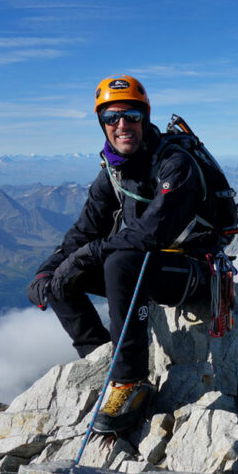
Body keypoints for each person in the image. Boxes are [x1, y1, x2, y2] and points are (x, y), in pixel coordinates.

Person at [26, 75, 208, 433]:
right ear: (102, 124)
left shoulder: (175, 164)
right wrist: (47, 271)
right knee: (63, 281)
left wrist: (87, 255)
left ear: (145, 118)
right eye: (112, 118)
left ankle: (131, 383)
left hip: (191, 272)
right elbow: (84, 231)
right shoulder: (114, 171)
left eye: (131, 116)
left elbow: (150, 233)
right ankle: (104, 363)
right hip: (141, 268)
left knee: (119, 260)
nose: (122, 125)